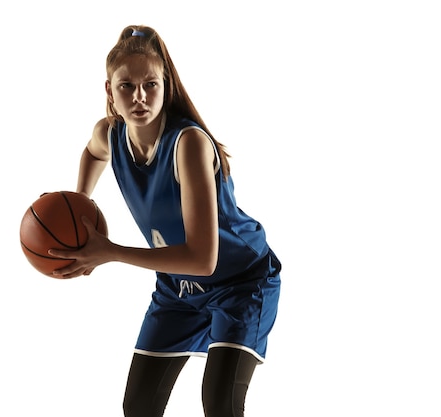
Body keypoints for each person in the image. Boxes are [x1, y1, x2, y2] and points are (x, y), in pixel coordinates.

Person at [48, 25, 281, 417]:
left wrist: (110, 252)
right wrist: (79, 202)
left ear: (165, 86)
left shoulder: (188, 144)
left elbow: (203, 259)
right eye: (126, 86)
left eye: (150, 84)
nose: (139, 96)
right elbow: (92, 153)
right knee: (139, 406)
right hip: (179, 289)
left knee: (221, 403)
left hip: (241, 282)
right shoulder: (109, 134)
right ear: (110, 91)